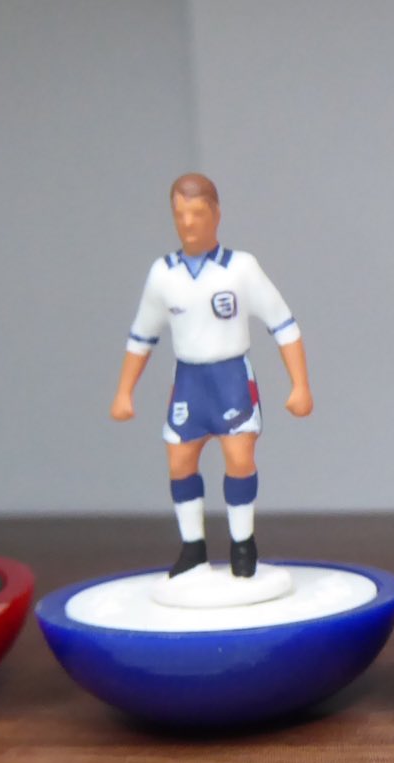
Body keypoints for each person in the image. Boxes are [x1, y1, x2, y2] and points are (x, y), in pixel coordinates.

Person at [112, 173, 313, 579]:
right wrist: (124, 391)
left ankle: (243, 544)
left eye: (198, 213)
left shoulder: (241, 269)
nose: (188, 223)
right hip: (189, 379)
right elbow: (142, 335)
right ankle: (193, 547)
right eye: (180, 214)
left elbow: (283, 324)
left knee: (239, 458)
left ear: (216, 214)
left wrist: (300, 385)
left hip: (231, 377)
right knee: (180, 460)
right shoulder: (163, 274)